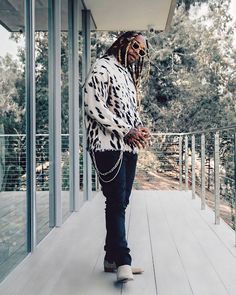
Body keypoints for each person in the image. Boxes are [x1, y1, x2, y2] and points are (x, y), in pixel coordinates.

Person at [84, 31, 151, 283]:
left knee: (120, 202)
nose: (138, 52)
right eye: (136, 45)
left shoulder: (126, 74)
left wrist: (139, 127)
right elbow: (92, 104)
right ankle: (124, 260)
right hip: (106, 145)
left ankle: (111, 258)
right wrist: (126, 130)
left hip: (128, 147)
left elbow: (128, 112)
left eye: (142, 51)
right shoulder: (103, 67)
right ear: (123, 41)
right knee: (115, 201)